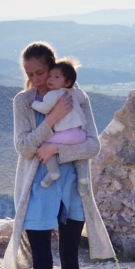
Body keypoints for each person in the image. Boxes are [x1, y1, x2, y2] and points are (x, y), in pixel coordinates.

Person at [3, 42, 115, 269]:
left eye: (41, 72)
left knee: (69, 257)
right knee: (42, 263)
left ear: (53, 69)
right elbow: (24, 148)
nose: (36, 79)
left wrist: (56, 151)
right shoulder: (23, 102)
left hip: (72, 188)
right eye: (30, 74)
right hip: (37, 191)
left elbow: (92, 146)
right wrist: (50, 120)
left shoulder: (78, 97)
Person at [31, 59, 88, 189]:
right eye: (50, 76)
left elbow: (45, 108)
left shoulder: (53, 94)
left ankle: (53, 172)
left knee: (45, 144)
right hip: (80, 134)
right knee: (80, 154)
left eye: (56, 77)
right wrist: (73, 88)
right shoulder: (74, 93)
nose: (50, 79)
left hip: (66, 134)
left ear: (67, 82)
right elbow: (83, 99)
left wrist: (34, 104)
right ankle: (83, 177)